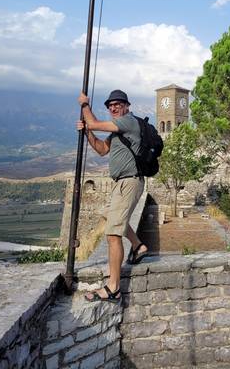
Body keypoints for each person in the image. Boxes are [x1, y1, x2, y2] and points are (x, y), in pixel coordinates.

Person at [76, 89, 148, 303]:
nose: (113, 107)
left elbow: (95, 123)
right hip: (120, 183)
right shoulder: (117, 133)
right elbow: (100, 149)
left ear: (127, 106)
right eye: (110, 105)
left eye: (118, 104)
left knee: (112, 234)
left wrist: (84, 105)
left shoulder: (128, 122)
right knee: (109, 214)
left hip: (129, 181)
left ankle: (114, 288)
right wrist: (87, 133)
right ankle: (138, 245)